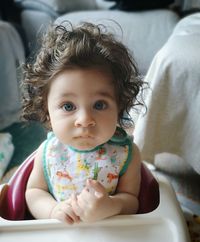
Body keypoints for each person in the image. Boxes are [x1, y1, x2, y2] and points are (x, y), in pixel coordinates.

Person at [22, 22, 145, 224]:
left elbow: (132, 200)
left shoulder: (126, 154)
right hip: (59, 236)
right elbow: (34, 192)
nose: (85, 120)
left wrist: (112, 206)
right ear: (47, 110)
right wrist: (53, 210)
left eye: (99, 104)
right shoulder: (49, 152)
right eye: (68, 106)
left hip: (111, 237)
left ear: (119, 106)